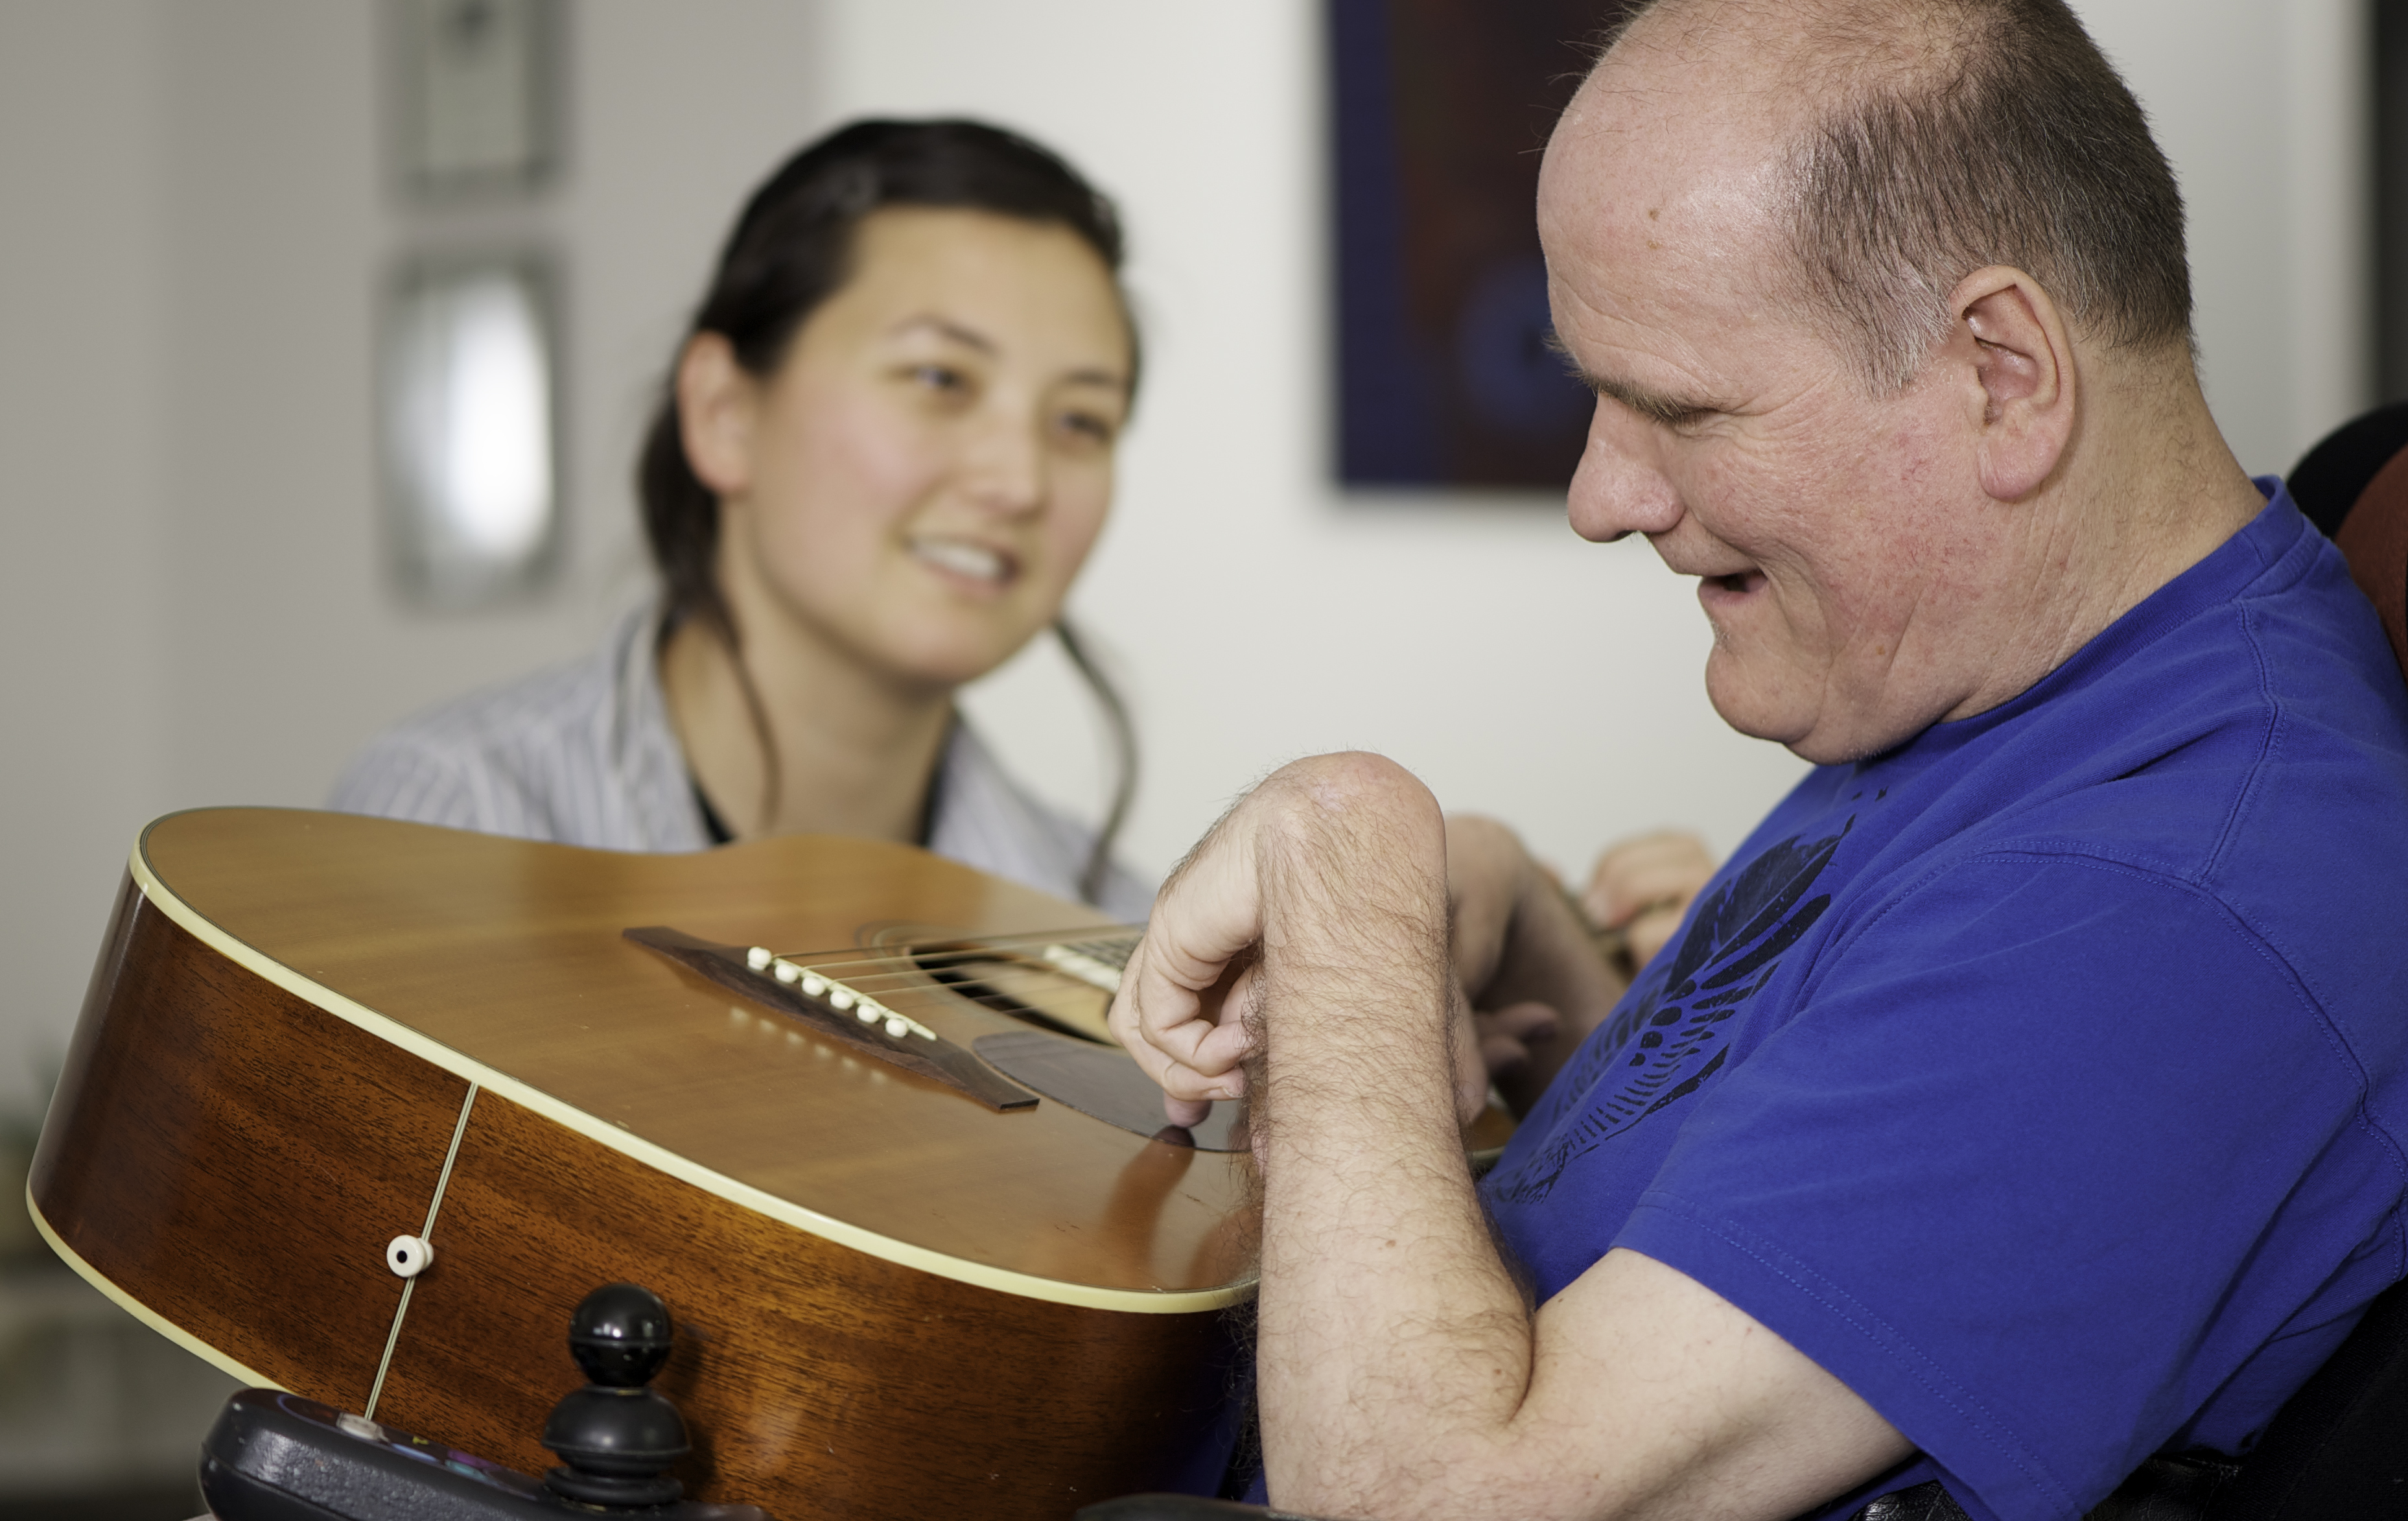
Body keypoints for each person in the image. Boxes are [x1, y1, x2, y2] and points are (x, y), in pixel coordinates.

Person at [1108, 3, 2408, 1519]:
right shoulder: (2021, 687)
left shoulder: (2164, 906)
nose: (1598, 496)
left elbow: (1435, 1502)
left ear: (1999, 372)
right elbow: (1859, 1199)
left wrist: (1343, 855)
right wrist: (1532, 935)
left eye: (1680, 408)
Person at [333, 121, 1152, 921]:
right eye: (940, 378)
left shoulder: (1123, 942)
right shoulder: (448, 817)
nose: (1018, 481)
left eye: (1081, 422)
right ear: (725, 413)